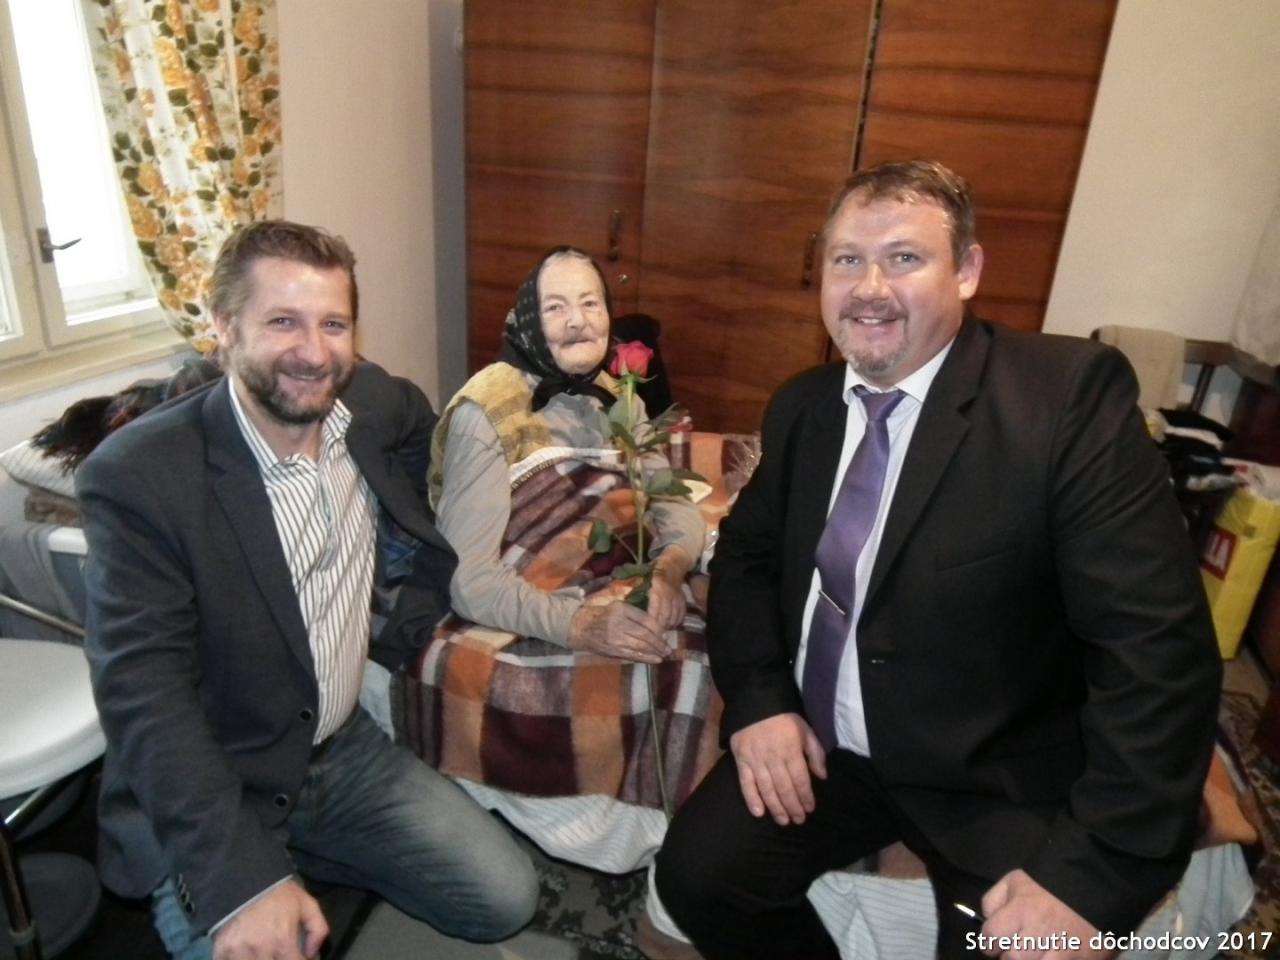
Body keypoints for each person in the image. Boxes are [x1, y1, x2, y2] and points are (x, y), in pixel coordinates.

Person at [653, 160, 1221, 960]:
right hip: (835, 750)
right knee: (699, 878)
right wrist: (760, 699)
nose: (869, 288)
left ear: (968, 270)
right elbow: (746, 561)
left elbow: (1156, 646)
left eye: (904, 258)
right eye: (847, 259)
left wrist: (1093, 875)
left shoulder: (1063, 402)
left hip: (996, 769)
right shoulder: (804, 407)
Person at [78, 220, 538, 960]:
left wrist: (414, 585)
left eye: (334, 324)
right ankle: (252, 867)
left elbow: (422, 428)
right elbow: (144, 693)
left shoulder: (368, 403)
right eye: (282, 322)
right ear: (225, 326)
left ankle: (304, 855)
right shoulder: (141, 476)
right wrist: (243, 881)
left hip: (339, 747)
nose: (315, 352)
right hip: (221, 774)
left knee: (505, 898)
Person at [430, 245, 704, 663]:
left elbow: (673, 501)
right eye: (555, 307)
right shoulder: (485, 413)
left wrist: (669, 568)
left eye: (590, 303)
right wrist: (578, 625)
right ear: (529, 322)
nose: (577, 320)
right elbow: (469, 580)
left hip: (620, 584)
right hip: (533, 607)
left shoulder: (621, 399)